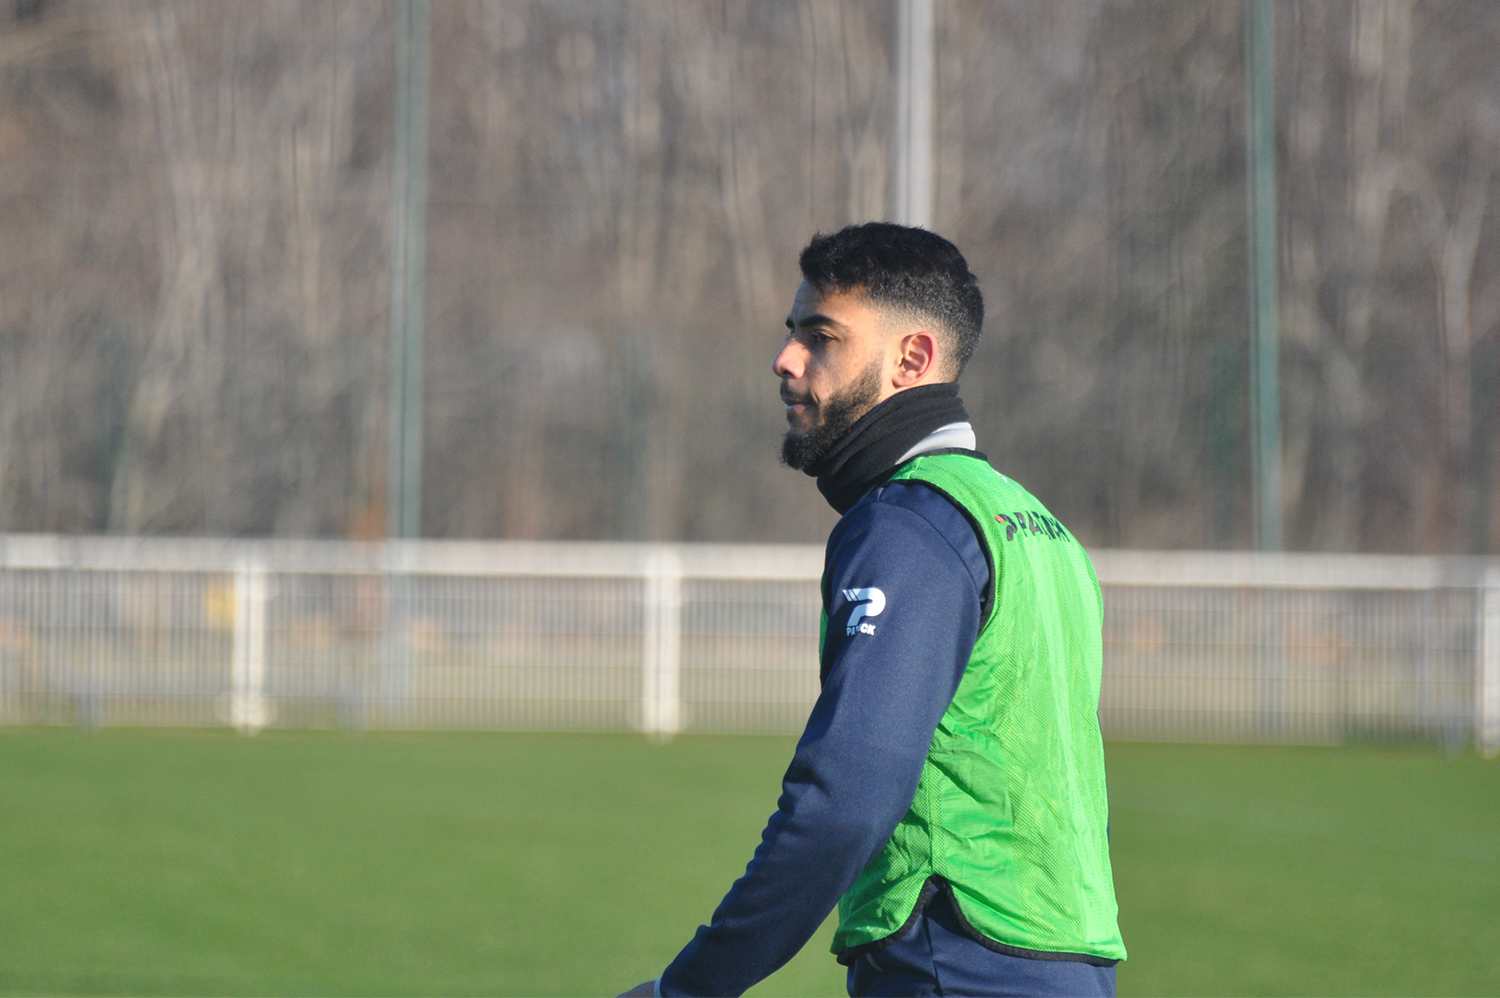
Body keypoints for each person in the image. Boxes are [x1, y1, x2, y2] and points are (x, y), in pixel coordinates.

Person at [621, 223, 1125, 998]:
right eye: (792, 334)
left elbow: (843, 803)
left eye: (820, 337)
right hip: (1069, 964)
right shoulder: (1035, 525)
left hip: (956, 965)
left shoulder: (909, 523)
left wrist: (687, 989)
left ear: (912, 359)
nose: (786, 360)